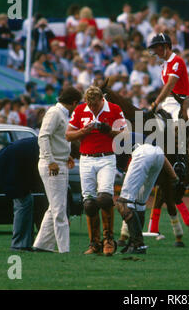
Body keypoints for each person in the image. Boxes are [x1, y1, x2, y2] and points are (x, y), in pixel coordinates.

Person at [65, 85, 127, 256]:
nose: (92, 108)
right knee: (89, 203)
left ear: (102, 99)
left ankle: (109, 240)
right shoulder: (80, 110)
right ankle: (95, 243)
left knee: (105, 198)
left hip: (106, 157)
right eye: (90, 105)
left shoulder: (113, 109)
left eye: (96, 105)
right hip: (86, 159)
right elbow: (68, 135)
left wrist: (107, 130)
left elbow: (124, 134)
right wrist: (83, 132)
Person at [33, 87, 82, 253]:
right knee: (60, 209)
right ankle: (64, 249)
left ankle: (41, 245)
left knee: (54, 207)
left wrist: (65, 155)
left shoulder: (59, 113)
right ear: (74, 102)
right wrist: (51, 160)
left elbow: (54, 138)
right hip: (53, 165)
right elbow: (43, 136)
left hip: (59, 162)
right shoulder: (55, 113)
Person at [114, 132, 179, 254]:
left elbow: (120, 169)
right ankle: (135, 244)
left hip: (142, 154)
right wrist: (173, 176)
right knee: (139, 203)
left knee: (123, 203)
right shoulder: (133, 135)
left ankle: (137, 243)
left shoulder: (112, 140)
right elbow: (162, 156)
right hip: (158, 153)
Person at [0, 137, 41, 251]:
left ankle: (26, 243)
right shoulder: (43, 146)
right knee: (23, 203)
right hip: (9, 166)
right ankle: (19, 245)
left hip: (11, 163)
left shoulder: (40, 142)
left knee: (27, 202)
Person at [148, 33, 189, 121]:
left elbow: (169, 85)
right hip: (167, 102)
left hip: (180, 102)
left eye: (157, 47)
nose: (156, 51)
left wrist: (156, 103)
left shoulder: (177, 61)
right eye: (154, 48)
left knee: (177, 128)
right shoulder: (164, 65)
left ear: (166, 46)